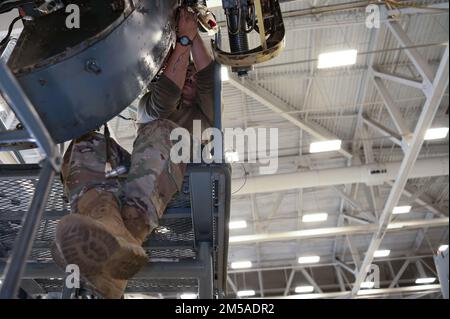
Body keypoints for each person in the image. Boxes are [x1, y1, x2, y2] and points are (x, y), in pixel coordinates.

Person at [52, 7, 216, 299]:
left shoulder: (207, 113)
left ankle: (122, 238)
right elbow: (167, 92)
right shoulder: (149, 104)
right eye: (185, 72)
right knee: (86, 142)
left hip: (177, 175)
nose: (190, 77)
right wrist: (184, 41)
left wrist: (191, 34)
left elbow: (210, 74)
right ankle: (112, 231)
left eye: (193, 76)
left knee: (164, 132)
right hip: (145, 173)